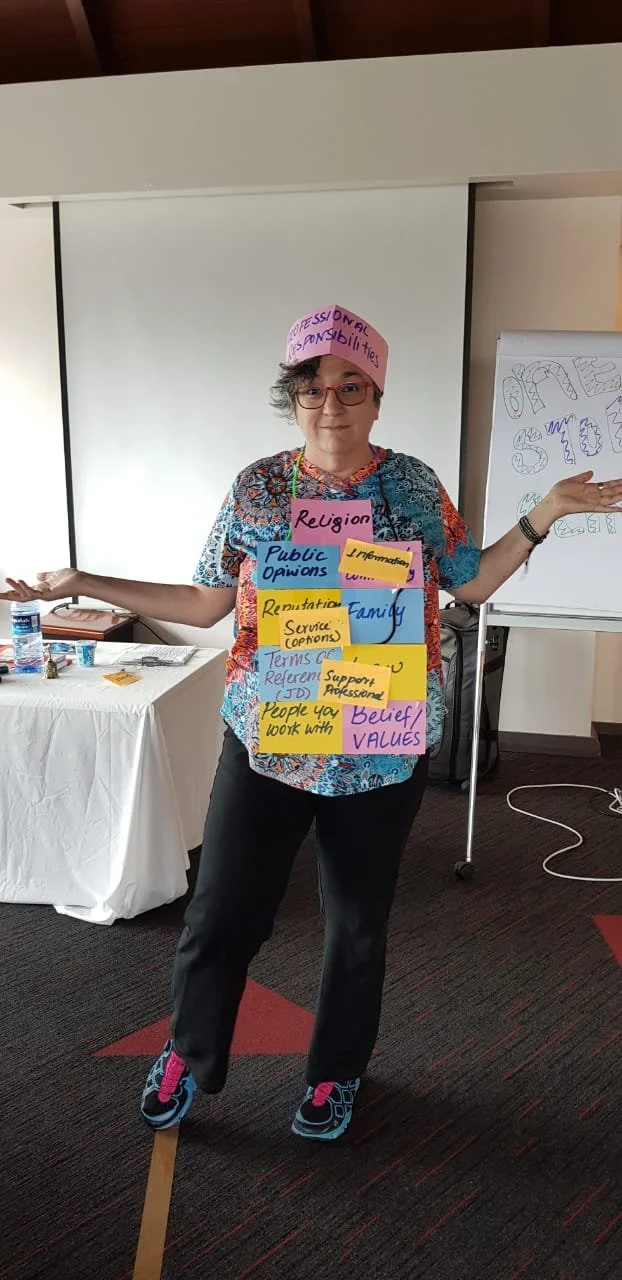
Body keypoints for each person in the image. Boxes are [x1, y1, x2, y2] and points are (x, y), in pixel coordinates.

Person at [3, 305, 622, 1143]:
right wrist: (86, 579)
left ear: (376, 397)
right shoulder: (256, 487)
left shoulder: (410, 485)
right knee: (221, 915)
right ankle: (190, 1050)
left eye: (349, 387)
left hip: (379, 747)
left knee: (358, 923)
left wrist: (543, 513)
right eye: (310, 390)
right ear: (292, 400)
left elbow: (469, 584)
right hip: (270, 739)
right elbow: (206, 601)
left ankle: (335, 1074)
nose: (329, 405)